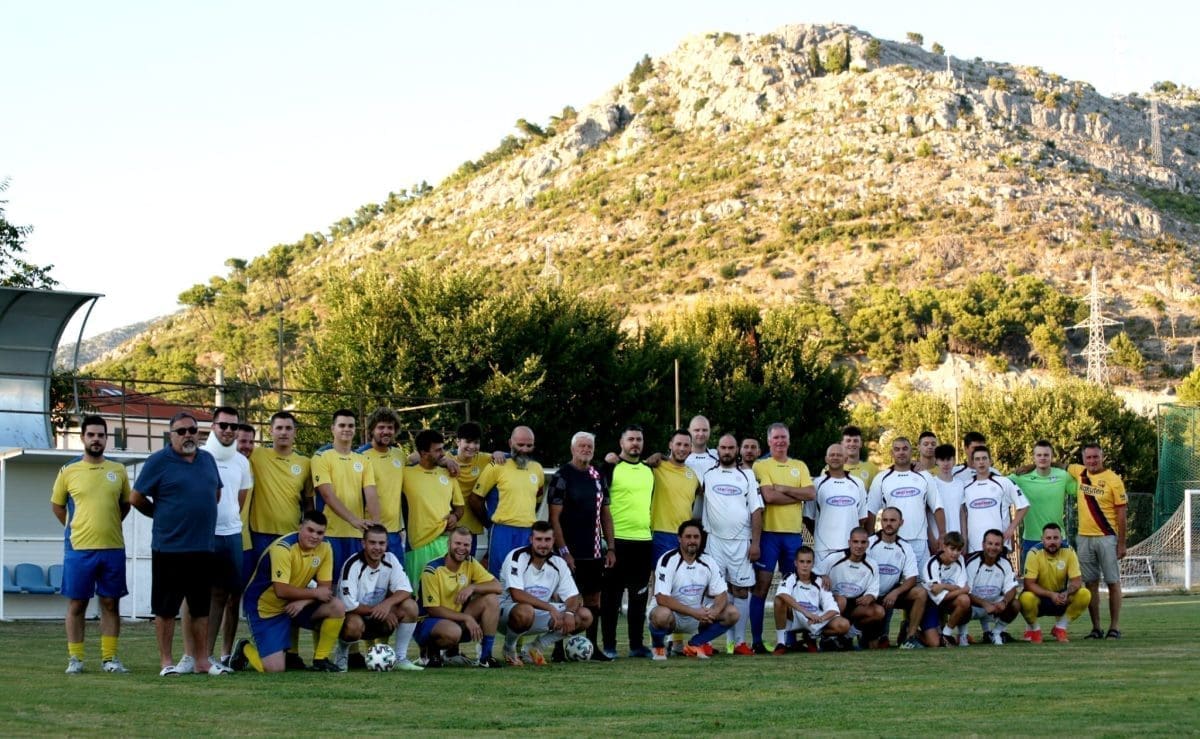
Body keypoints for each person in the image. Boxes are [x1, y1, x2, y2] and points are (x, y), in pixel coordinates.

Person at [129, 412, 231, 676]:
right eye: (182, 431)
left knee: (200, 608)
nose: (188, 435)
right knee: (165, 610)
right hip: (169, 548)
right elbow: (136, 497)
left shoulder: (207, 460)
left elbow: (215, 493)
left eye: (192, 430)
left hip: (202, 548)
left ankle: (202, 662)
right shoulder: (158, 462)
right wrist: (160, 514)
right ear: (171, 435)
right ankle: (166, 662)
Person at [51, 415, 132, 674]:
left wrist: (108, 523)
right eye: (91, 435)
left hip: (112, 549)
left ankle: (110, 659)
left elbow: (125, 505)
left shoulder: (118, 470)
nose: (96, 439)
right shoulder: (68, 470)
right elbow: (57, 506)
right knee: (77, 604)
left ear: (106, 439)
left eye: (101, 435)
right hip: (78, 549)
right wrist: (77, 526)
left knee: (110, 603)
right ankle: (75, 659)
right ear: (83, 438)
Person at [179, 407, 253, 672]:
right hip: (201, 535)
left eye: (233, 426)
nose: (229, 430)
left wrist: (227, 521)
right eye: (223, 425)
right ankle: (189, 656)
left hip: (230, 535)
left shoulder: (242, 462)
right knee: (193, 595)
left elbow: (239, 499)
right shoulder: (198, 456)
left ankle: (207, 656)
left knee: (222, 595)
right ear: (212, 427)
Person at [231, 510, 345, 672]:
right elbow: (281, 591)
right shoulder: (283, 548)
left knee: (337, 606)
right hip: (265, 608)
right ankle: (244, 648)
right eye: (310, 530)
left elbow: (324, 589)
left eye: (320, 533)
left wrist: (304, 602)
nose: (315, 536)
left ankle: (321, 659)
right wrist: (313, 594)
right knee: (273, 669)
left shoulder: (326, 547)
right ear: (300, 528)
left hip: (294, 603)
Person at [244, 411, 312, 670]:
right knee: (266, 596)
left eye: (288, 428)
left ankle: (291, 651)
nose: (283, 432)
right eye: (279, 428)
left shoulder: (304, 463)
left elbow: (307, 501)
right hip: (261, 538)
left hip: (292, 540)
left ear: (295, 433)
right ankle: (261, 647)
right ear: (270, 432)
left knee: (290, 595)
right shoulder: (257, 456)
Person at [547, 431, 616, 660]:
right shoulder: (562, 476)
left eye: (590, 446)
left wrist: (611, 548)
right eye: (582, 446)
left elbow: (605, 515)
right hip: (568, 551)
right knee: (565, 599)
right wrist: (564, 550)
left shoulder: (598, 475)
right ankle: (558, 648)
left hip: (594, 551)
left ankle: (592, 646)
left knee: (594, 599)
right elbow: (554, 518)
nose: (586, 449)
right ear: (572, 449)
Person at [749, 423, 815, 653]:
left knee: (792, 588)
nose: (780, 441)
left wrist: (783, 488)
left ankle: (788, 639)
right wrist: (796, 496)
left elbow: (811, 493)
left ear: (789, 440)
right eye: (776, 438)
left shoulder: (799, 466)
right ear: (769, 441)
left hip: (793, 537)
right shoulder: (761, 465)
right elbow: (769, 496)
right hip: (769, 535)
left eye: (783, 437)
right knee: (762, 587)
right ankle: (756, 640)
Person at [700, 434, 763, 656]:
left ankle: (739, 643)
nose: (726, 451)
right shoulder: (708, 475)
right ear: (717, 449)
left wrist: (755, 543)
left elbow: (756, 511)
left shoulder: (747, 476)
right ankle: (705, 641)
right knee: (712, 591)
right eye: (723, 447)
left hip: (741, 543)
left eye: (731, 448)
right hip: (714, 542)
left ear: (736, 451)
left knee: (741, 591)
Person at [499, 521, 592, 666]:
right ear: (531, 540)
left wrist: (568, 613)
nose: (543, 544)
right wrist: (550, 608)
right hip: (507, 614)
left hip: (538, 614)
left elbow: (573, 596)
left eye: (547, 540)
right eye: (539, 539)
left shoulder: (558, 563)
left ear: (554, 541)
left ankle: (534, 647)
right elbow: (517, 595)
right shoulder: (516, 556)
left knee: (584, 616)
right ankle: (509, 649)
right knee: (525, 610)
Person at [599, 424, 655, 659]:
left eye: (639, 439)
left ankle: (636, 645)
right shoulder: (611, 468)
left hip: (643, 541)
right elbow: (601, 503)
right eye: (630, 439)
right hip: (616, 542)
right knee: (611, 598)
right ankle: (609, 646)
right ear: (621, 443)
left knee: (639, 598)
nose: (635, 443)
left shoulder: (649, 470)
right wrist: (607, 542)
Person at [333, 524, 421, 671]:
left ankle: (400, 658)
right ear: (363, 543)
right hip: (355, 618)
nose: (377, 547)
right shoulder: (352, 565)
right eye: (372, 542)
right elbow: (348, 606)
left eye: (381, 543)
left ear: (386, 544)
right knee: (353, 625)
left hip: (380, 618)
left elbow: (405, 590)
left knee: (410, 606)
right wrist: (379, 610)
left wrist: (387, 605)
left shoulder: (390, 559)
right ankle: (341, 655)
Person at [648, 519, 739, 660]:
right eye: (688, 537)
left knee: (732, 613)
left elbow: (722, 593)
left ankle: (695, 643)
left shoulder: (708, 561)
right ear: (679, 539)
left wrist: (714, 612)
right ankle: (658, 647)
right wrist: (694, 612)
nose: (692, 541)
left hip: (697, 616)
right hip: (672, 615)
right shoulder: (668, 560)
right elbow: (662, 598)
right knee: (661, 615)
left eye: (696, 537)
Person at [415, 527, 503, 668]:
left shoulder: (471, 563)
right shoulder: (432, 570)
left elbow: (497, 587)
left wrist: (473, 587)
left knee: (491, 599)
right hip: (428, 622)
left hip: (455, 620)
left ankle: (485, 657)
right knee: (453, 631)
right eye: (458, 543)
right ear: (448, 544)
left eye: (466, 545)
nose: (461, 548)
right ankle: (430, 651)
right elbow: (433, 609)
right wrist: (466, 618)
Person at [1068, 443, 1126, 640]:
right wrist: (1027, 467)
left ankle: (1115, 627)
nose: (1092, 461)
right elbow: (1055, 464)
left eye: (1096, 457)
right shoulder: (1079, 472)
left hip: (1107, 538)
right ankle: (1096, 628)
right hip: (1084, 538)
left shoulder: (1114, 480)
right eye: (1088, 458)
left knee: (1112, 582)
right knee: (1091, 583)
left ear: (1103, 457)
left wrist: (1121, 543)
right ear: (1083, 459)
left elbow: (1122, 513)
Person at [471, 426, 545, 579]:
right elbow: (475, 498)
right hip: (502, 530)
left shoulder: (537, 469)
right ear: (510, 443)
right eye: (520, 445)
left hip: (527, 531)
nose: (524, 449)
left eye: (529, 445)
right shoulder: (496, 465)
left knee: (524, 576)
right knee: (499, 576)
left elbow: (537, 498)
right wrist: (489, 523)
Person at [311, 409, 379, 574]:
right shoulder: (321, 457)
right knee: (331, 583)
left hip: (357, 534)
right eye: (342, 425)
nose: (346, 429)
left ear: (356, 429)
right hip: (329, 532)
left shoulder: (363, 459)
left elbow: (370, 493)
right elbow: (327, 495)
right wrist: (353, 519)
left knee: (355, 581)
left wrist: (377, 524)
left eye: (351, 425)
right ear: (332, 428)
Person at [400, 429, 464, 588]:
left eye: (443, 448)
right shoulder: (405, 474)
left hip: (444, 541)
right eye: (437, 450)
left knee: (445, 591)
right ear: (423, 452)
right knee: (419, 594)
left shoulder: (448, 474)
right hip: (418, 544)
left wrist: (455, 517)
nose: (443, 453)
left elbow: (460, 507)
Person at [866, 437, 945, 564]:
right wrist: (870, 539)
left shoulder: (925, 476)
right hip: (890, 540)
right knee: (892, 582)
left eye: (905, 449)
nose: (901, 452)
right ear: (892, 453)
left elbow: (937, 507)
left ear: (911, 452)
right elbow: (871, 510)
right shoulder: (881, 478)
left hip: (919, 541)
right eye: (897, 449)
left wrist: (942, 535)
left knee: (920, 582)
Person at [1019, 523, 1092, 643]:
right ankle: (1035, 630)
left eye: (1055, 538)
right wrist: (1050, 595)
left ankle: (1060, 628)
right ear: (1042, 539)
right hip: (1040, 598)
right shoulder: (1034, 553)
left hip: (1061, 597)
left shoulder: (1069, 551)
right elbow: (1028, 584)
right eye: (1048, 538)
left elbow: (1077, 580)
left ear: (1061, 538)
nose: (1052, 542)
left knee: (1085, 594)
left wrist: (1067, 593)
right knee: (1025, 598)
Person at [1010, 440, 1077, 567]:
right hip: (1031, 539)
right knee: (1030, 583)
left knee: (1060, 583)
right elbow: (998, 484)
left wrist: (1067, 467)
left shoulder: (1063, 476)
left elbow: (1081, 489)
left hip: (1057, 539)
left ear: (1052, 457)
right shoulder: (1022, 477)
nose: (1042, 458)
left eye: (1046, 455)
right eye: (1039, 455)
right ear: (1033, 457)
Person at [814, 527, 884, 648]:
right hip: (835, 603)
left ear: (867, 544)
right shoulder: (834, 558)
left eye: (863, 542)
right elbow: (814, 571)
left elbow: (873, 591)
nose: (859, 546)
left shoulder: (872, 564)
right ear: (849, 542)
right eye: (855, 542)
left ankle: (847, 635)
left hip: (855, 604)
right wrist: (822, 575)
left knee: (878, 611)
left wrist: (869, 596)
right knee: (841, 600)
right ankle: (825, 637)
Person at [867, 507, 926, 649]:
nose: (888, 524)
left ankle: (910, 637)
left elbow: (912, 578)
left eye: (893, 520)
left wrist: (896, 592)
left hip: (892, 595)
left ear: (901, 522)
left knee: (921, 593)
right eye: (885, 520)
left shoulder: (905, 547)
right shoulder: (869, 543)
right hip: (870, 598)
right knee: (872, 646)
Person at [772, 547, 849, 654]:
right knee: (779, 600)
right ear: (795, 563)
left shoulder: (820, 581)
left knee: (844, 625)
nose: (805, 565)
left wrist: (820, 619)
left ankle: (813, 636)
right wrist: (805, 612)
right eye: (801, 561)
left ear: (813, 564)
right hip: (796, 618)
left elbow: (833, 609)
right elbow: (782, 594)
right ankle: (781, 643)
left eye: (808, 562)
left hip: (814, 619)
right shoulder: (790, 577)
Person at [356, 408, 407, 560]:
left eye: (390, 427)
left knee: (397, 581)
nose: (386, 431)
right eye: (381, 427)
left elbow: (419, 459)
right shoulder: (360, 456)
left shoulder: (399, 455)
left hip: (394, 534)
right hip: (369, 533)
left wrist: (445, 460)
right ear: (372, 429)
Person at [961, 446, 1028, 555]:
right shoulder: (965, 486)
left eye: (984, 458)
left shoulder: (1004, 482)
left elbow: (1024, 505)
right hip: (974, 546)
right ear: (973, 463)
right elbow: (963, 513)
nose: (981, 462)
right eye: (977, 459)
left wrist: (1011, 529)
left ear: (990, 461)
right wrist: (964, 538)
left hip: (998, 545)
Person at [806, 443, 868, 561]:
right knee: (823, 580)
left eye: (839, 455)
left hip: (850, 548)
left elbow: (862, 518)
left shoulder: (858, 483)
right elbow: (808, 517)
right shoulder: (816, 484)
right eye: (832, 455)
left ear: (845, 459)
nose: (835, 457)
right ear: (826, 459)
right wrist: (820, 536)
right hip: (823, 549)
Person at [650, 429, 701, 566]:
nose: (682, 448)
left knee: (681, 580)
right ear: (670, 445)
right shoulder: (656, 467)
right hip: (661, 532)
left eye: (686, 445)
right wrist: (656, 456)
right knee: (661, 578)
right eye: (678, 444)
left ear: (691, 448)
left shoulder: (693, 475)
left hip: (685, 535)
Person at [965, 529, 1020, 645]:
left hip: (995, 605)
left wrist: (1004, 602)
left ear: (1001, 547)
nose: (993, 547)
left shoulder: (1005, 563)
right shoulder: (971, 562)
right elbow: (965, 592)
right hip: (974, 606)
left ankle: (996, 633)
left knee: (1015, 604)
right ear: (983, 545)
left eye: (997, 544)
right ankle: (962, 635)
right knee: (962, 601)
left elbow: (1012, 588)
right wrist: (984, 604)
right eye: (990, 543)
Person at [919, 531, 971, 647]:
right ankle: (909, 630)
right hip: (930, 604)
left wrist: (943, 586)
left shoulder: (960, 560)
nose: (955, 553)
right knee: (934, 644)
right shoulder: (931, 564)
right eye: (952, 549)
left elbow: (961, 587)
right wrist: (960, 589)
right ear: (943, 546)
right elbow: (938, 597)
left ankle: (946, 634)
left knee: (965, 600)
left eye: (958, 550)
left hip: (947, 602)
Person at [928, 444, 964, 539]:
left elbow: (961, 512)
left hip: (957, 540)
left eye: (948, 459)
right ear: (936, 461)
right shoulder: (931, 483)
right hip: (938, 538)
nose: (945, 464)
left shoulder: (960, 484)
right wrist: (931, 539)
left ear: (954, 460)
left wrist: (964, 537)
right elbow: (926, 514)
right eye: (942, 460)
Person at [683, 415, 719, 481]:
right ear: (689, 431)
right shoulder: (679, 457)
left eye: (705, 430)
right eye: (697, 430)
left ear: (709, 431)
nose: (701, 433)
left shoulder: (718, 455)